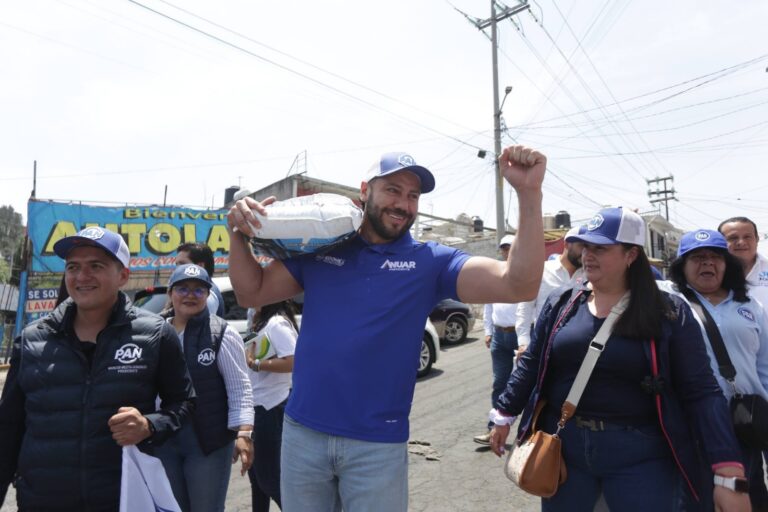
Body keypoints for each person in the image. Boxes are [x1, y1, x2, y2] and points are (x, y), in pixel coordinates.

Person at [227, 146, 547, 511]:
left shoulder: (430, 261)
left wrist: (528, 194)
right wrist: (237, 234)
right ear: (365, 191)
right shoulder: (322, 249)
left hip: (377, 445)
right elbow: (250, 290)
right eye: (393, 190)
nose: (404, 204)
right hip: (303, 435)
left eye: (413, 196)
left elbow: (519, 285)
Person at [489, 207, 750, 512]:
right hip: (565, 449)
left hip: (641, 456)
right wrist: (503, 413)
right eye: (586, 246)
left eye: (600, 248)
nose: (588, 255)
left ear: (631, 255)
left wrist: (728, 469)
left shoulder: (669, 312)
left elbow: (702, 391)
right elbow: (533, 361)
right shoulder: (562, 302)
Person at [0, 226, 195, 510]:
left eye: (96, 266)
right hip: (42, 499)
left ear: (123, 275)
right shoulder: (31, 339)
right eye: (73, 267)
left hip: (122, 498)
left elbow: (184, 402)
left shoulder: (155, 335)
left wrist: (149, 425)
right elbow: (8, 429)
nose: (82, 276)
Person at [665, 228, 768, 510]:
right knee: (694, 497)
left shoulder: (752, 305)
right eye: (697, 257)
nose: (707, 263)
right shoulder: (668, 302)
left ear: (727, 264)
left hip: (743, 421)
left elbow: (764, 367)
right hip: (688, 421)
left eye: (715, 256)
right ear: (681, 266)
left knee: (748, 493)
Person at [155, 264, 254, 512]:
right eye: (183, 288)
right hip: (164, 438)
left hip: (208, 440)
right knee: (171, 508)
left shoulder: (221, 332)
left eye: (199, 290)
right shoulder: (154, 332)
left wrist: (243, 434)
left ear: (208, 295)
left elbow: (240, 387)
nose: (190, 295)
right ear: (170, 293)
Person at [244, 300, 298, 512]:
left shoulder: (276, 324)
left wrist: (257, 365)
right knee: (257, 480)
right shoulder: (257, 318)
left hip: (271, 407)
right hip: (255, 407)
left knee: (270, 480)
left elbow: (294, 360)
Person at [473, 234, 520, 446]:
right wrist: (488, 331)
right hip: (500, 337)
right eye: (504, 248)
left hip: (522, 336)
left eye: (510, 247)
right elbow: (489, 305)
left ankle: (532, 434)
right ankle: (494, 431)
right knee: (499, 383)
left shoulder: (527, 272)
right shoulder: (496, 273)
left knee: (527, 385)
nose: (507, 251)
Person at [514, 224, 585, 357]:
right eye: (581, 246)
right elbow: (525, 308)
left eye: (589, 247)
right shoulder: (541, 271)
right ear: (567, 244)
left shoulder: (589, 276)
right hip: (542, 347)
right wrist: (524, 343)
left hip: (576, 350)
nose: (585, 252)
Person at [718, 216, 768, 307]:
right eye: (733, 238)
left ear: (757, 239)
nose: (741, 242)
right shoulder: (711, 272)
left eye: (747, 237)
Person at [176, 242, 226, 317]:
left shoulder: (208, 295)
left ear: (200, 266)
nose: (177, 269)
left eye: (182, 264)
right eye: (177, 265)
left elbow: (204, 327)